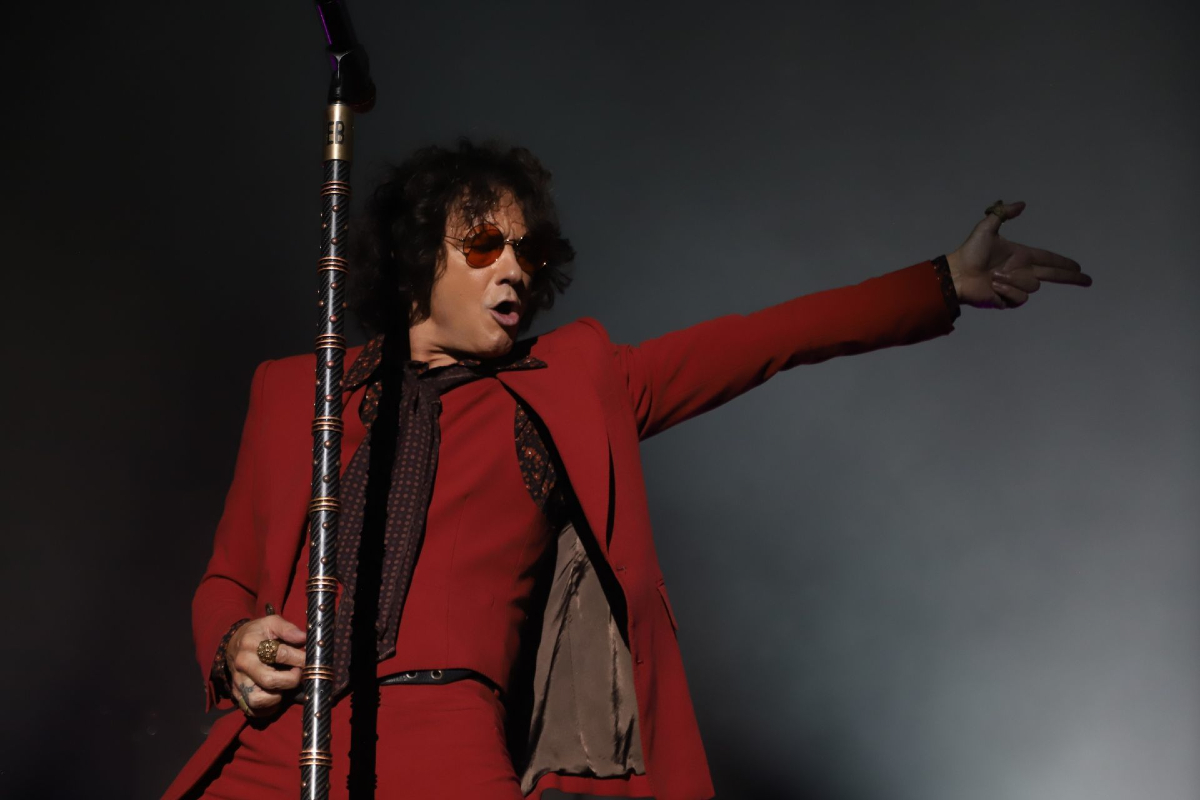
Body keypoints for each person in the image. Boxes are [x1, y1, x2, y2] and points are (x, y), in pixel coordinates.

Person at [161, 139, 1092, 800]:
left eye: (529, 250)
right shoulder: (297, 391)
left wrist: (937, 281)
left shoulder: (570, 385)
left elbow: (759, 342)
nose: (514, 267)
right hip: (280, 747)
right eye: (483, 243)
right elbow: (228, 577)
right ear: (415, 263)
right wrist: (233, 644)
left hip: (443, 745)